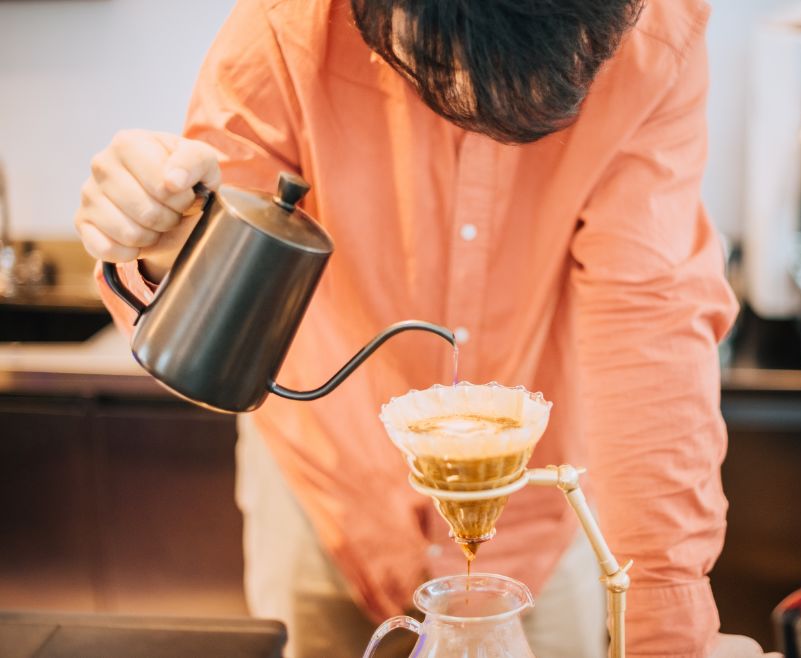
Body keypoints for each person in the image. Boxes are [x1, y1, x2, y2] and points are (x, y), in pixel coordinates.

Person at [75, 0, 760, 656]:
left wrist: (668, 629)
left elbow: (648, 325)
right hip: (324, 491)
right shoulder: (291, 19)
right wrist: (160, 236)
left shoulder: (651, 35)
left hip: (537, 517)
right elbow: (218, 250)